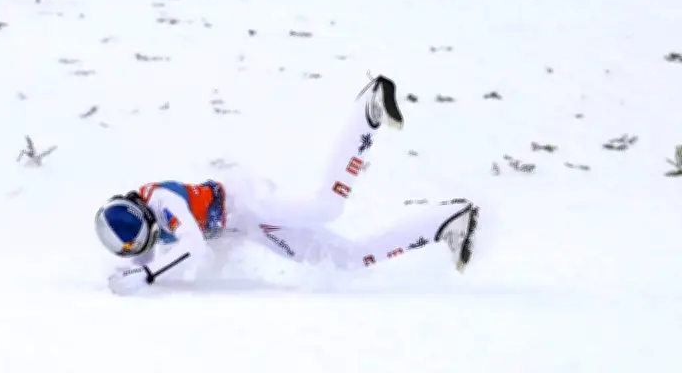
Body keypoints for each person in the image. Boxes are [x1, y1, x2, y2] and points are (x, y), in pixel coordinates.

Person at [95, 74, 479, 295]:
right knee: (345, 260)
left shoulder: (162, 200)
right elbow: (155, 265)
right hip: (247, 227)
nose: (131, 249)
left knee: (327, 206)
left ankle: (367, 111)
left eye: (131, 239)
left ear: (141, 213)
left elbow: (191, 248)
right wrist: (131, 274)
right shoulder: (147, 222)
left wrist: (146, 276)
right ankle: (445, 223)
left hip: (247, 207)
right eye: (123, 245)